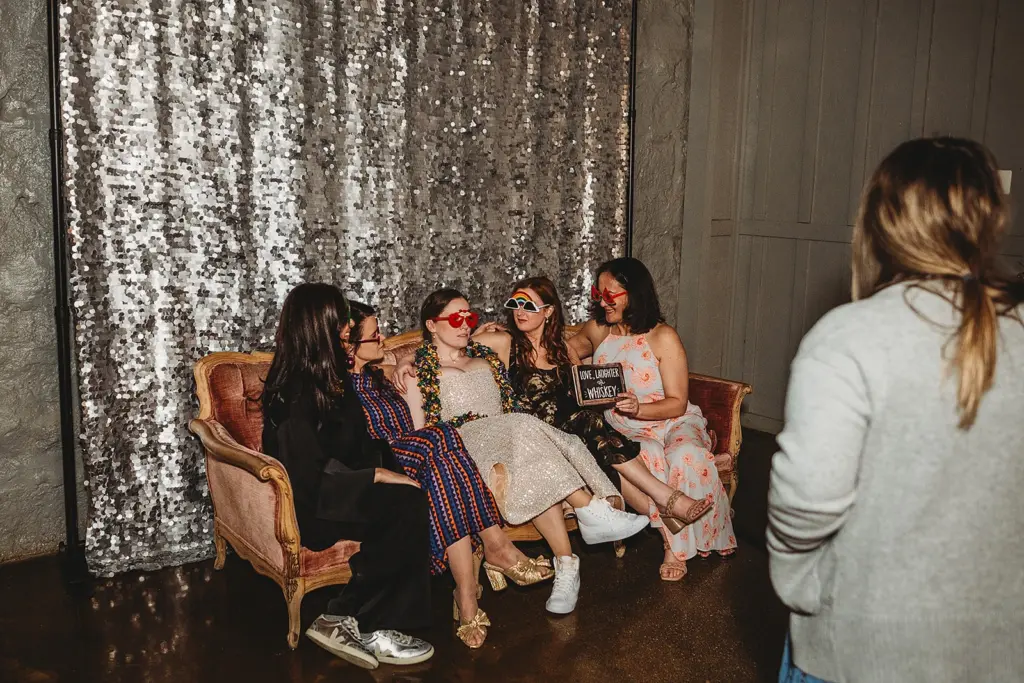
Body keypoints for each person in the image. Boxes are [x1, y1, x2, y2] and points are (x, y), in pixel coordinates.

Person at [767, 137, 1024, 683]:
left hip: (864, 645)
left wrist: (802, 585)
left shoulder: (848, 336)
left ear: (881, 222)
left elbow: (808, 501)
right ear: (989, 220)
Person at [401, 288, 650, 614]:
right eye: (456, 319)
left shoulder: (487, 351)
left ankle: (566, 567)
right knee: (523, 426)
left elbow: (517, 337)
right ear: (432, 325)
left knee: (533, 460)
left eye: (469, 318)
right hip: (465, 450)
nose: (464, 325)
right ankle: (591, 510)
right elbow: (425, 437)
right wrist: (407, 358)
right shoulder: (417, 374)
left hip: (511, 441)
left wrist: (477, 333)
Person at [344, 300, 554, 648]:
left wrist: (407, 360)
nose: (384, 338)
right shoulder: (339, 390)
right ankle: (497, 545)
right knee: (443, 434)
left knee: (444, 474)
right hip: (385, 464)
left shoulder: (382, 372)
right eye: (375, 335)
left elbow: (423, 355)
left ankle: (466, 597)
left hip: (423, 457)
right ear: (349, 345)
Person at [261, 283, 434, 669]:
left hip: (343, 486)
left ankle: (354, 619)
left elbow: (356, 443)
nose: (347, 328)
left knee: (410, 495)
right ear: (320, 325)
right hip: (316, 503)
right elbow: (307, 476)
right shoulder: (294, 391)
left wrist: (393, 470)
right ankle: (360, 620)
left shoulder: (329, 375)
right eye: (341, 321)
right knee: (402, 506)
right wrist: (376, 476)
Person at [569, 258, 738, 580]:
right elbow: (565, 348)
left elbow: (677, 403)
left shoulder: (663, 337)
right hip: (624, 426)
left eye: (611, 295)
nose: (602, 302)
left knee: (686, 454)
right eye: (598, 293)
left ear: (634, 294)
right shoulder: (597, 329)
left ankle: (709, 519)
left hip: (671, 419)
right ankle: (672, 545)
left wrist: (639, 408)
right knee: (650, 456)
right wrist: (581, 372)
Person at [470, 276, 641, 495]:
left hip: (574, 434)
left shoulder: (563, 349)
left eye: (529, 306)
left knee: (596, 433)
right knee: (590, 426)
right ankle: (661, 501)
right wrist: (474, 336)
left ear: (548, 311)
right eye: (515, 304)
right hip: (533, 436)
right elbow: (444, 348)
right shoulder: (505, 342)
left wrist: (614, 393)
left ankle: (654, 510)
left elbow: (586, 393)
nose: (520, 312)